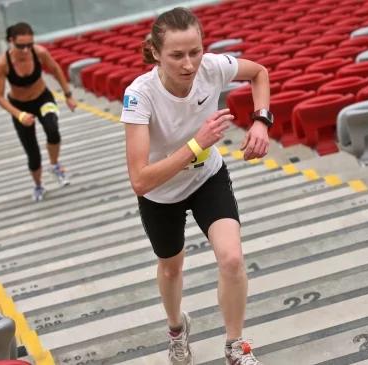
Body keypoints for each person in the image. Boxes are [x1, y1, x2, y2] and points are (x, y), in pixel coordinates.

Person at [121, 7, 273, 365]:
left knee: (232, 258)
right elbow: (140, 180)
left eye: (195, 52)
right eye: (176, 55)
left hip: (207, 179)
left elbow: (260, 73)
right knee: (172, 267)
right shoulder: (139, 95)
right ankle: (177, 328)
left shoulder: (212, 67)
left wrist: (261, 121)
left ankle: (235, 345)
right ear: (157, 53)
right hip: (161, 193)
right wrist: (197, 143)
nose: (188, 64)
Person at [0, 22, 77, 201]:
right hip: (19, 106)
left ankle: (55, 165)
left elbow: (55, 70)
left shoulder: (39, 52)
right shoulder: (2, 63)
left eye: (29, 44)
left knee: (52, 129)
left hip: (42, 98)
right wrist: (19, 115)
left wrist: (68, 95)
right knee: (32, 152)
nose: (25, 50)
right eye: (20, 46)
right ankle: (39, 185)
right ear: (10, 41)